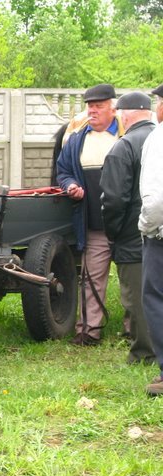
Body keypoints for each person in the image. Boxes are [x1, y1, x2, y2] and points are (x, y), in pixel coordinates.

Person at [56, 84, 119, 346]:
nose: (93, 111)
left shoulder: (126, 137)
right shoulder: (77, 140)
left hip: (127, 227)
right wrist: (70, 184)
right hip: (94, 225)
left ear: (112, 108)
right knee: (91, 279)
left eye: (99, 106)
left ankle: (136, 331)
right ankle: (88, 331)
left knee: (132, 282)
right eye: (90, 106)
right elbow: (63, 170)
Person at [100, 91, 156, 365]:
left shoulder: (124, 147)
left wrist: (113, 233)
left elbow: (113, 199)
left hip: (135, 236)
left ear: (124, 114)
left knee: (139, 298)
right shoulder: (158, 140)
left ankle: (144, 353)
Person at [139, 83, 163, 396]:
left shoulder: (159, 138)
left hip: (161, 236)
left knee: (156, 298)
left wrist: (146, 225)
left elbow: (157, 199)